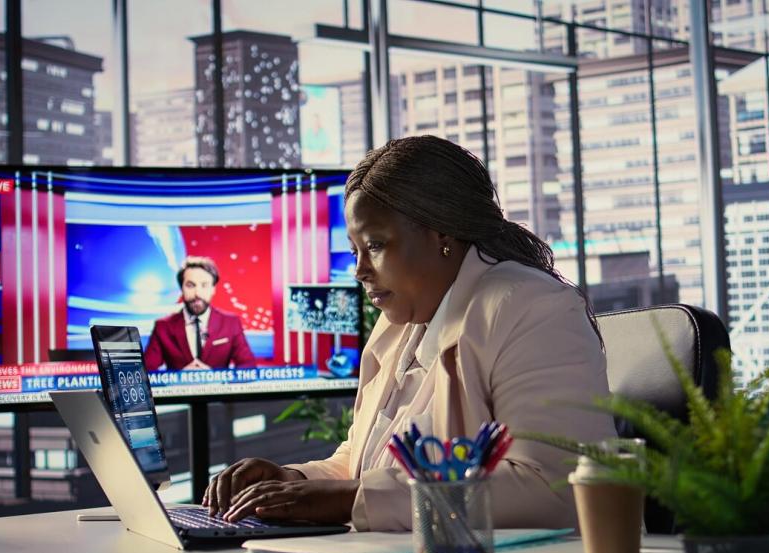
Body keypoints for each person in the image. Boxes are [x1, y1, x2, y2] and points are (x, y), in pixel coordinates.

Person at [202, 135, 615, 530]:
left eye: (375, 245)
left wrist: (349, 500)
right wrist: (293, 481)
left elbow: (548, 486)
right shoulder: (401, 323)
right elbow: (364, 463)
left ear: (441, 234)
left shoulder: (533, 309)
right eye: (354, 250)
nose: (359, 270)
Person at [144, 256, 256, 371]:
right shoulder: (163, 327)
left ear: (213, 289)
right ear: (181, 289)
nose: (197, 293)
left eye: (204, 285)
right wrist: (180, 377)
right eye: (190, 285)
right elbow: (145, 372)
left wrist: (214, 377)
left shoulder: (231, 323)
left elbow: (248, 367)